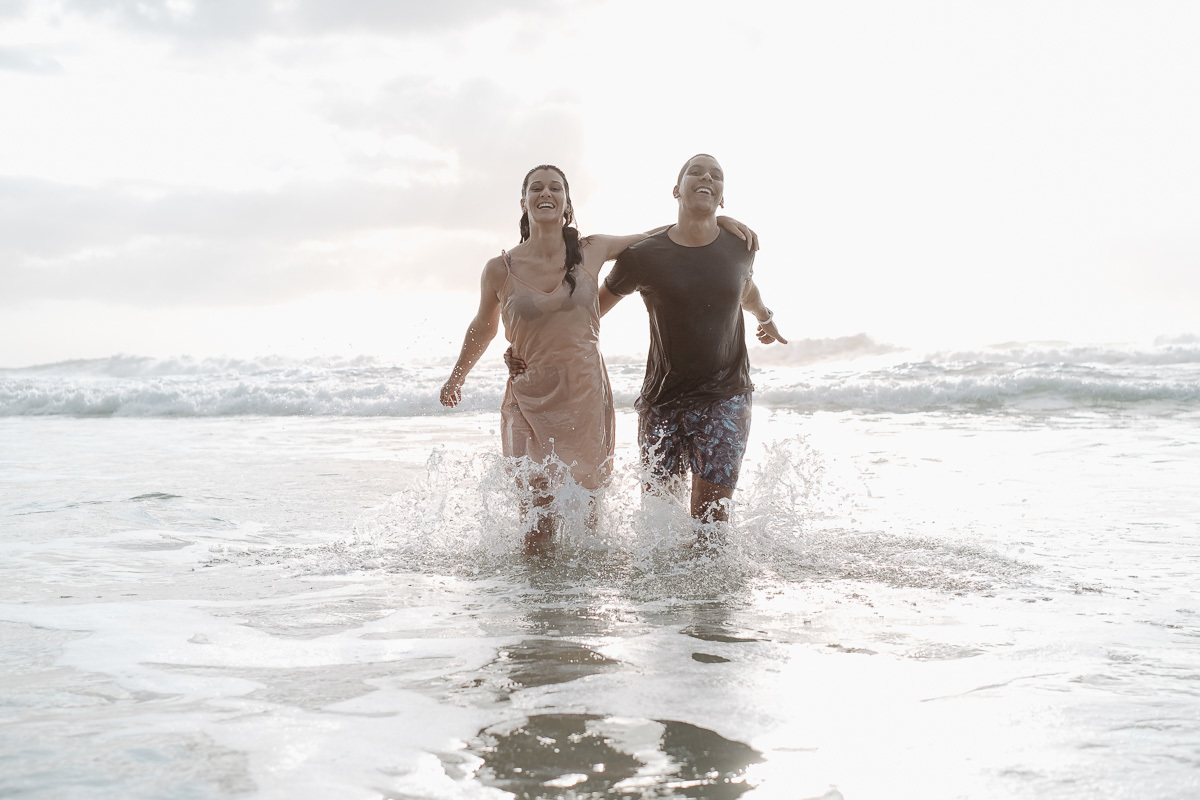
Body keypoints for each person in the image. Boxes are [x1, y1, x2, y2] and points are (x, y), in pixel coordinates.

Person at [440, 164, 756, 554]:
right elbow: (484, 326)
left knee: (587, 529)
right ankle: (534, 589)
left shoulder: (593, 250)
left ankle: (579, 591)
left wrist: (714, 220)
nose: (546, 193)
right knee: (536, 525)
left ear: (566, 202)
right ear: (523, 202)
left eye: (555, 188)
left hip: (583, 397)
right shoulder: (498, 269)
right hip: (528, 397)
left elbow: (659, 236)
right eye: (536, 188)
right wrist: (457, 377)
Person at [599, 153, 787, 530]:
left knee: (710, 527)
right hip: (662, 402)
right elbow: (590, 313)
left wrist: (765, 317)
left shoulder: (741, 246)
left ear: (722, 196)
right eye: (696, 172)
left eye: (716, 175)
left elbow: (744, 288)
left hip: (726, 397)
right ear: (677, 189)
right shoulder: (642, 256)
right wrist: (529, 345)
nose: (707, 178)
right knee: (660, 527)